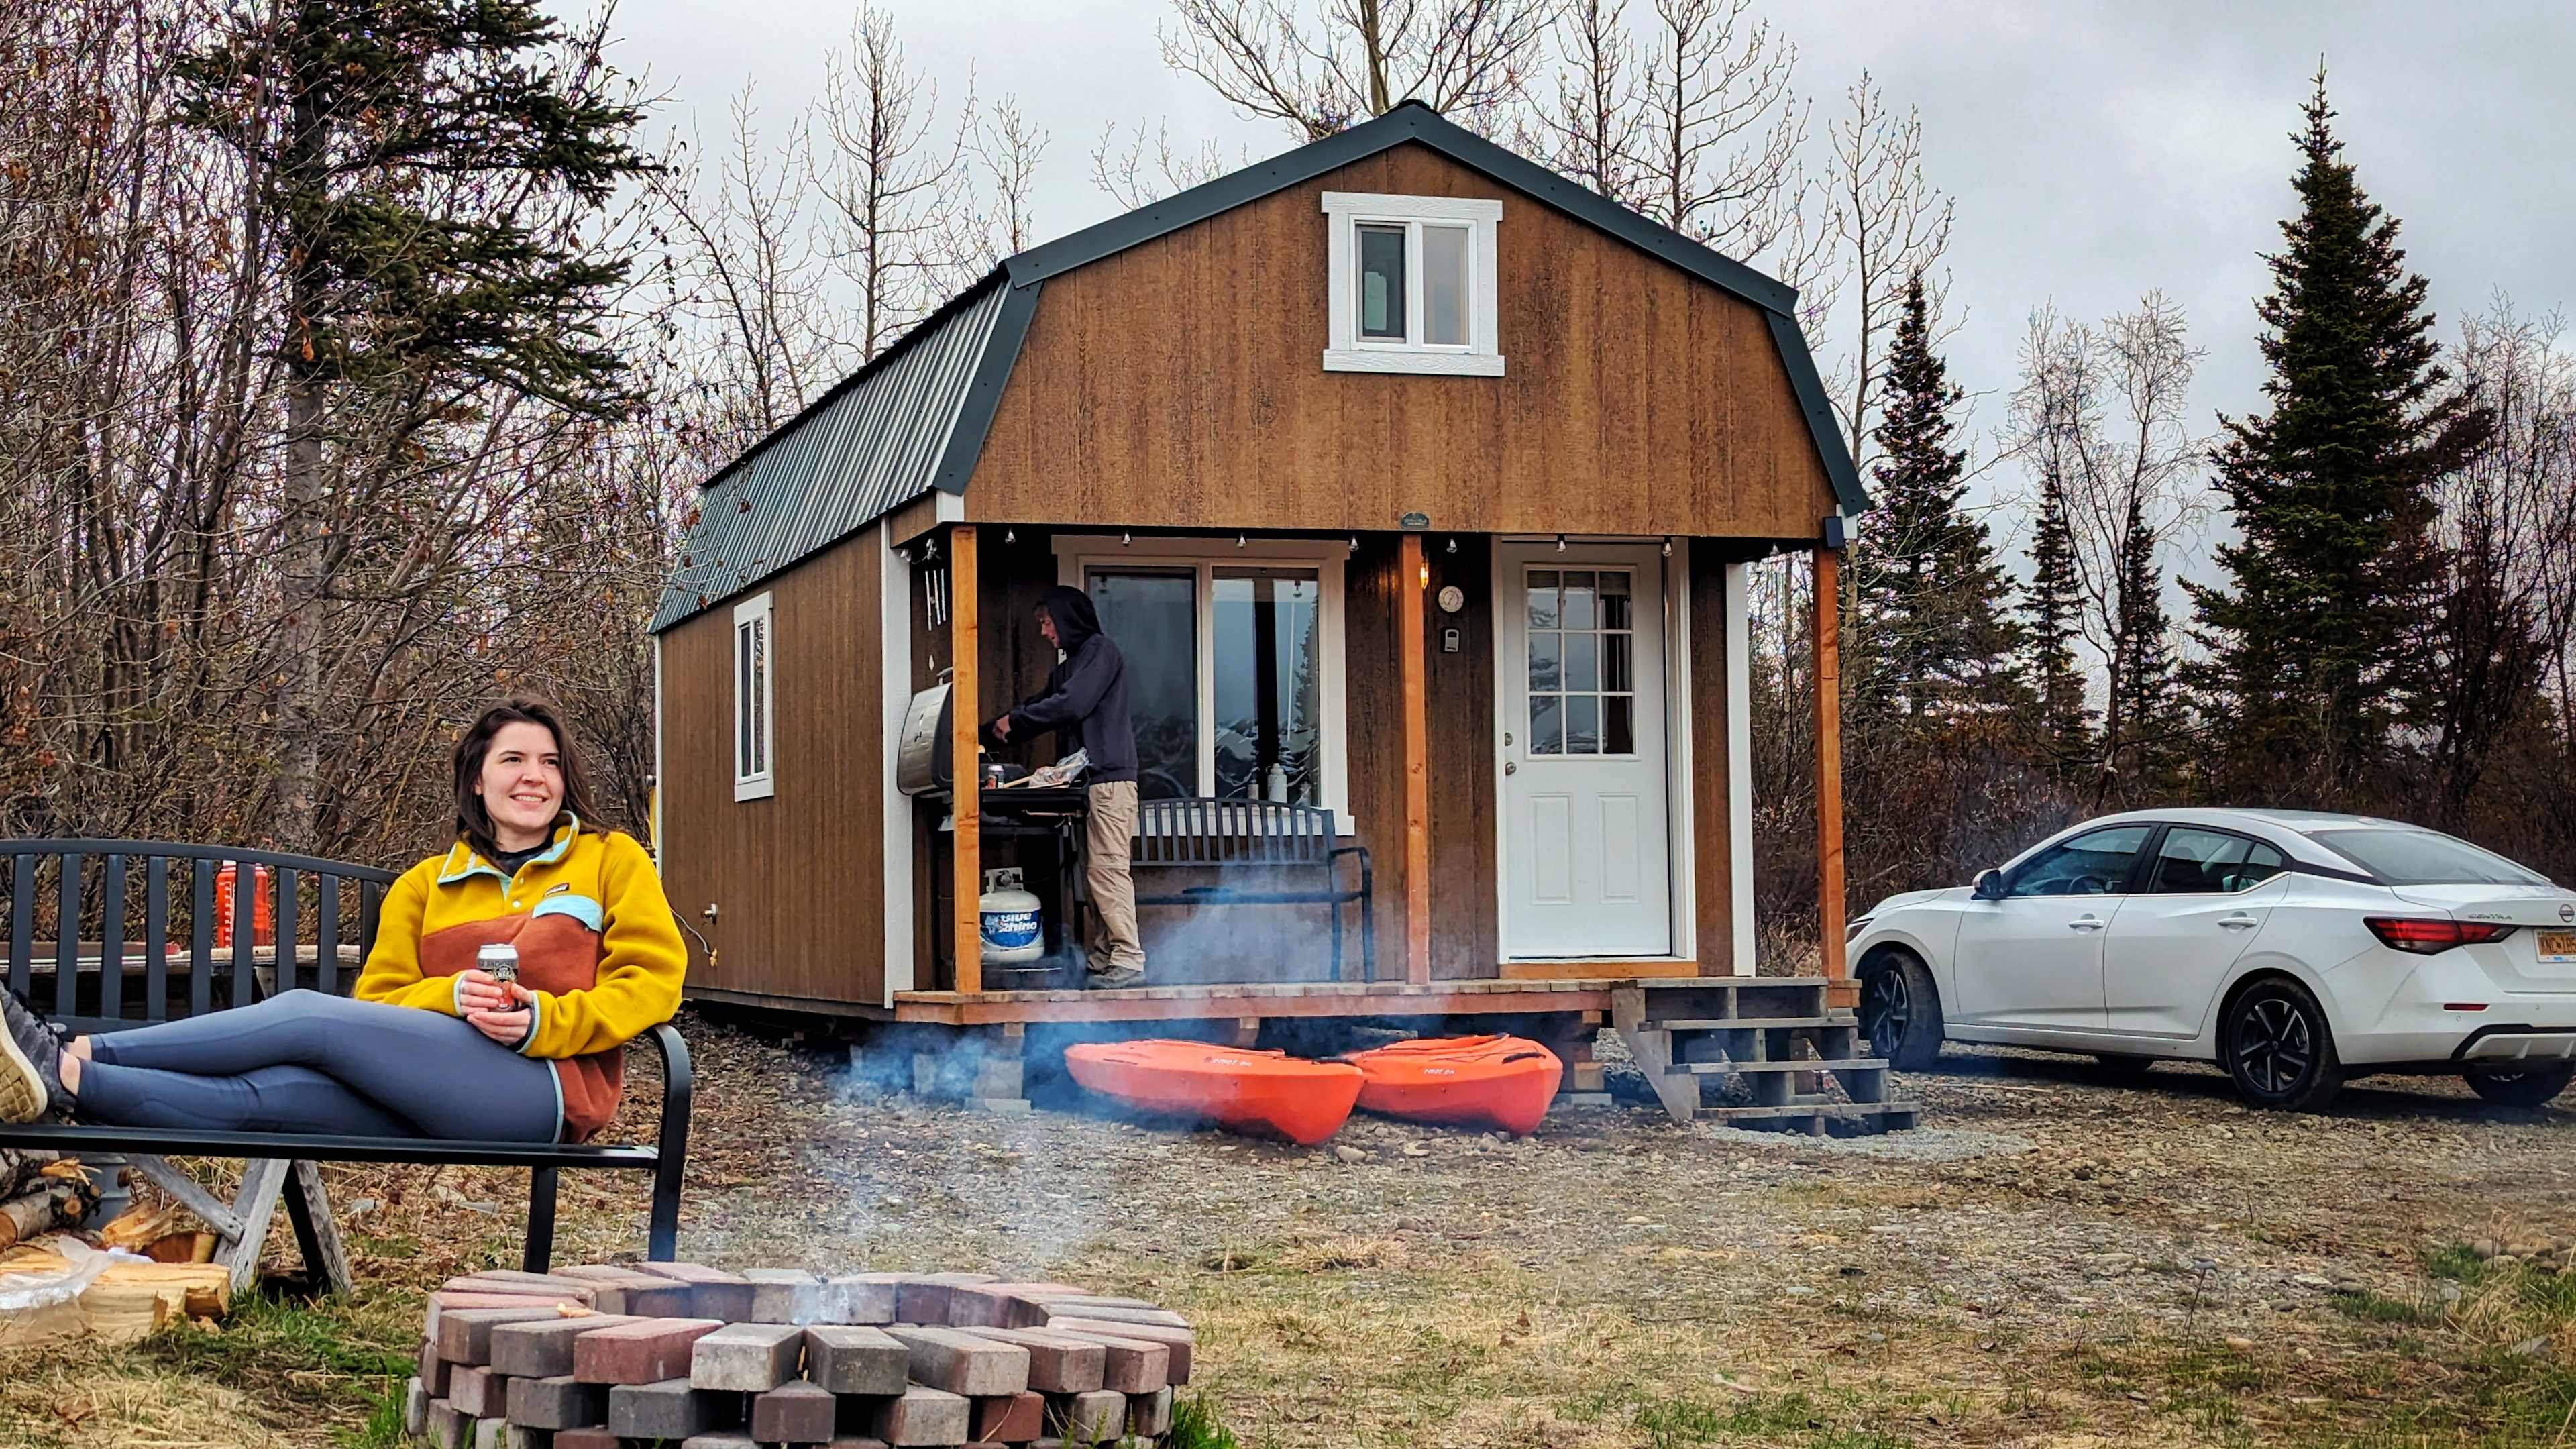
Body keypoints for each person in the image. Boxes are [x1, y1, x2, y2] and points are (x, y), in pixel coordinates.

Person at [0, 698, 686, 1144]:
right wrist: (449, 996)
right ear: (477, 779)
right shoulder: (427, 884)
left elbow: (655, 984)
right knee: (264, 1099)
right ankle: (72, 1085)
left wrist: (545, 1021)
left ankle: (83, 1050)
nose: (535, 776)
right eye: (514, 760)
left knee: (309, 1018)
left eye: (551, 763)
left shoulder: (609, 858)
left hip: (543, 1090)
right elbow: (382, 1000)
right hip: (421, 1081)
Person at [990, 584, 1146, 987]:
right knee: (1092, 875)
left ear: (1067, 618)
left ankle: (1128, 958)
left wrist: (1017, 723)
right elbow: (1042, 702)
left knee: (1108, 870)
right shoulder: (1069, 665)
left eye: (1046, 622)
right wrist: (991, 730)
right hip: (1085, 786)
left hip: (1111, 781)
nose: (1044, 632)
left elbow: (1071, 704)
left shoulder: (1100, 650)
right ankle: (1102, 958)